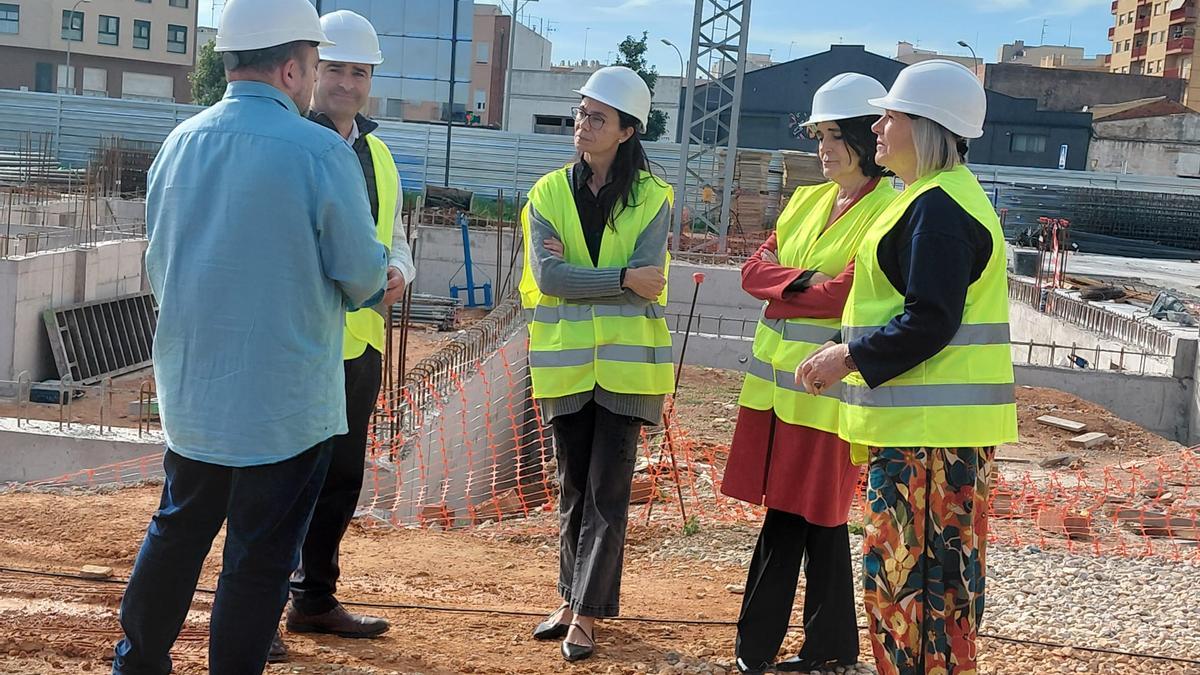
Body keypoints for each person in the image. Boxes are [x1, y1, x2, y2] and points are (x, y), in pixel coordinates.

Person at [110, 0, 389, 671]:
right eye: (316, 65)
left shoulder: (179, 143)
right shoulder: (323, 153)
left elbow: (159, 265)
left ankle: (136, 662)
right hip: (285, 407)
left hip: (195, 396)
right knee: (258, 559)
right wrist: (386, 270)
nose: (318, 78)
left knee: (177, 532)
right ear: (292, 70)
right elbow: (361, 278)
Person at [797, 60, 1018, 675]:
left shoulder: (938, 209)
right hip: (927, 437)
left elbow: (930, 320)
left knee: (915, 594)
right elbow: (909, 310)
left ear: (925, 126)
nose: (876, 127)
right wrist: (846, 349)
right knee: (924, 590)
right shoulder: (930, 200)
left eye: (888, 117)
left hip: (931, 444)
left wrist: (849, 357)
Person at [721, 73, 897, 675]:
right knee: (812, 517)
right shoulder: (803, 200)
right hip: (777, 392)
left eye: (835, 136)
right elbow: (751, 271)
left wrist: (782, 290)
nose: (824, 149)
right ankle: (830, 647)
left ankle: (757, 648)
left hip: (830, 395)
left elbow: (848, 293)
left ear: (865, 138)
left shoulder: (889, 210)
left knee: (801, 516)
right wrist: (801, 284)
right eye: (819, 136)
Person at [266, 10, 417, 661]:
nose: (347, 83)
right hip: (301, 343)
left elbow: (396, 235)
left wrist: (401, 271)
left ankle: (313, 598)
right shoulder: (288, 142)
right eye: (335, 69)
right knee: (282, 481)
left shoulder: (379, 155)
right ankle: (257, 612)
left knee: (340, 477)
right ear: (310, 70)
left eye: (359, 72)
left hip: (360, 343)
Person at [518, 66, 673, 663]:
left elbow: (647, 286)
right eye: (582, 113)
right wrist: (620, 276)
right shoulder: (547, 193)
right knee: (572, 488)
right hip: (566, 366)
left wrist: (596, 279)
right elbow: (550, 278)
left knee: (608, 492)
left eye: (598, 117)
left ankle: (586, 612)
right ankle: (568, 597)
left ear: (627, 131)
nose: (583, 124)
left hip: (628, 371)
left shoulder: (653, 198)